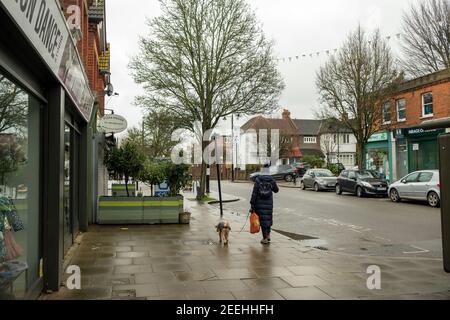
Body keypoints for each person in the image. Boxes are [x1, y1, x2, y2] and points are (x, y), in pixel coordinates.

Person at [250, 164, 279, 245]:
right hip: (269, 203)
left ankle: (265, 238)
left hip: (259, 203)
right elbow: (276, 190)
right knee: (268, 219)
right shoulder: (272, 179)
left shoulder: (258, 179)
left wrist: (252, 204)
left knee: (262, 221)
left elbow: (254, 193)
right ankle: (268, 235)